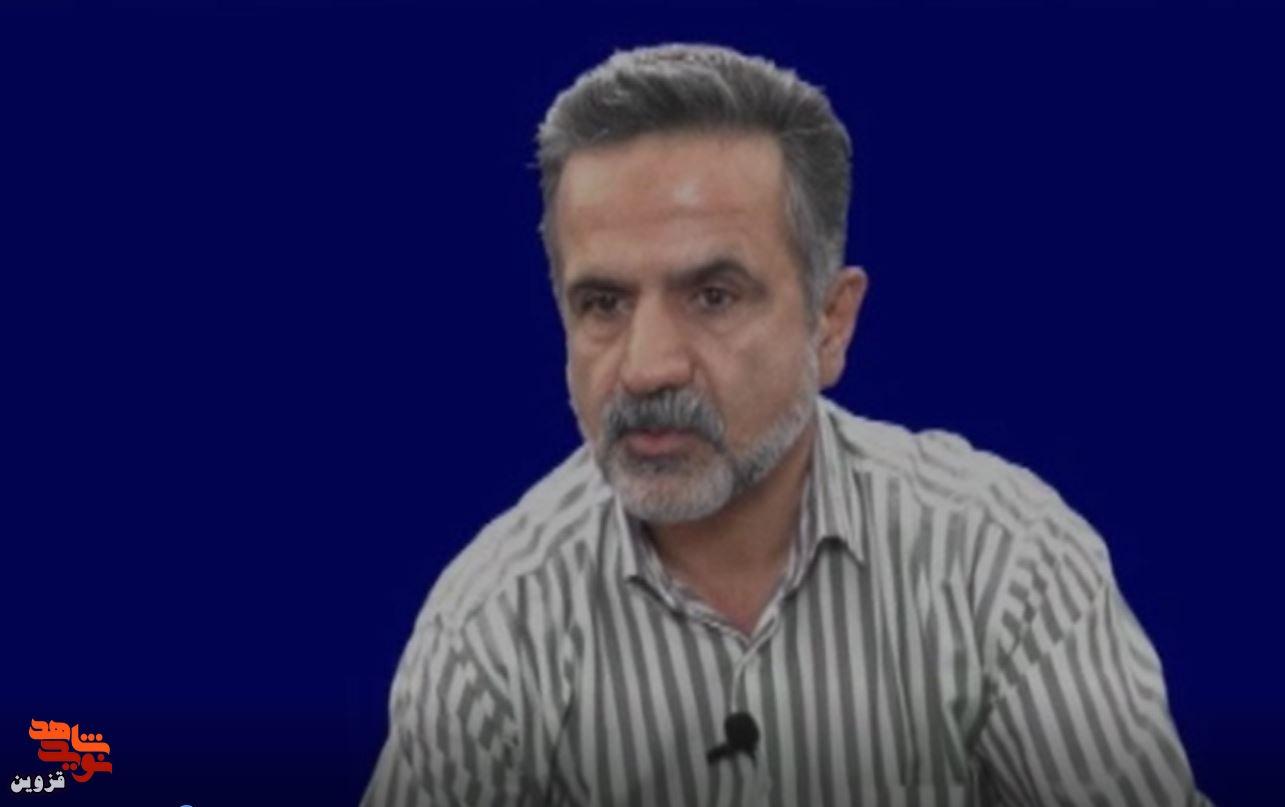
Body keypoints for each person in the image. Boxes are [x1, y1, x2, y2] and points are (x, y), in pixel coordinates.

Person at [361, 43, 1209, 807]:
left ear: (829, 323)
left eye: (713, 295)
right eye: (604, 303)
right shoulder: (492, 625)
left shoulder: (1003, 562)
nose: (647, 365)